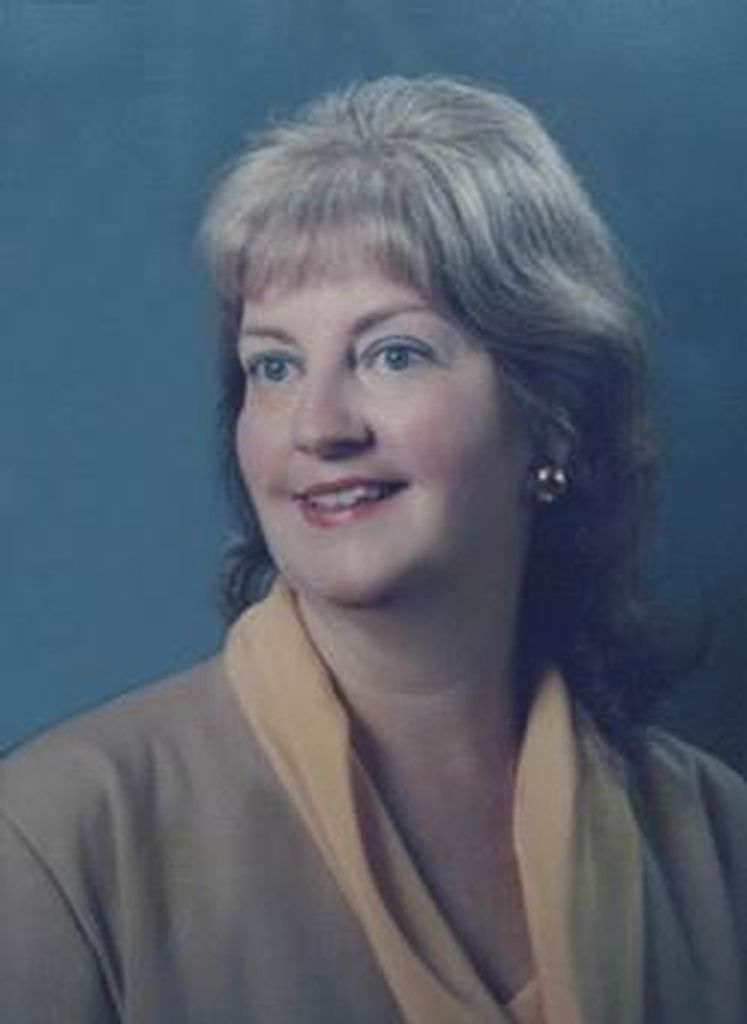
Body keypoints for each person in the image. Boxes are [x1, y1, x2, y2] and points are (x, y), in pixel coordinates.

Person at [1, 75, 746, 1024]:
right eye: (274, 365)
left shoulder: (718, 845)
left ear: (552, 415)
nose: (318, 426)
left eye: (393, 353)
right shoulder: (55, 841)